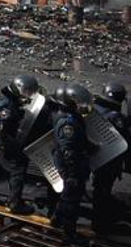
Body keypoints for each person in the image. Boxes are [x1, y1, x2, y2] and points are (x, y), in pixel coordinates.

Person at [0, 74, 38, 215]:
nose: (28, 95)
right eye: (27, 91)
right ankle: (14, 202)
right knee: (18, 168)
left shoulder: (10, 101)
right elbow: (1, 129)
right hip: (2, 142)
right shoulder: (8, 107)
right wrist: (12, 146)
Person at [50, 84, 93, 244]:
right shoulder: (68, 122)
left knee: (68, 194)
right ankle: (69, 233)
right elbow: (68, 150)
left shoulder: (73, 118)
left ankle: (56, 218)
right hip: (70, 165)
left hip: (72, 162)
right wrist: (73, 174)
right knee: (71, 199)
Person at [91, 82, 129, 233]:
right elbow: (123, 136)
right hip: (110, 160)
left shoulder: (96, 110)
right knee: (102, 190)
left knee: (99, 189)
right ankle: (101, 224)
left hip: (97, 156)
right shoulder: (116, 117)